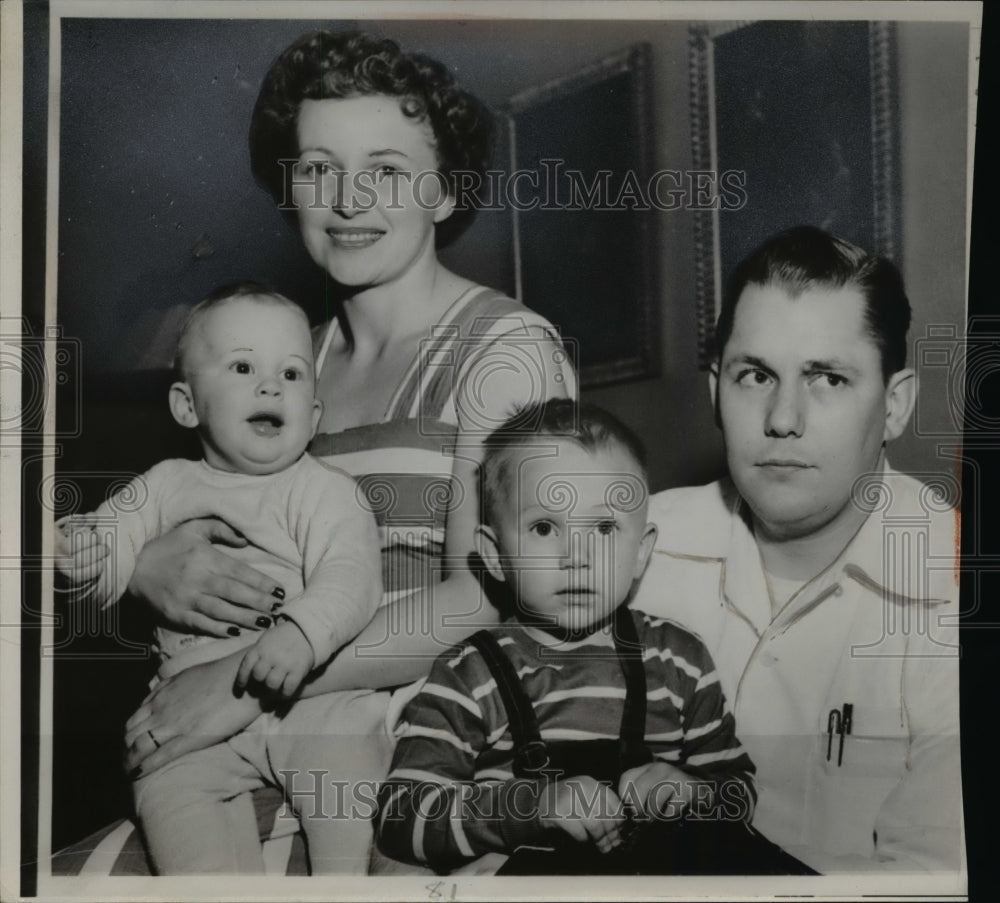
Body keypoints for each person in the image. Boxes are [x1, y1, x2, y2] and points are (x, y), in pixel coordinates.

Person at [52, 30, 574, 875]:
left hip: (422, 749)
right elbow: (210, 511)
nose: (348, 196)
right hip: (249, 752)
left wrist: (240, 685)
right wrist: (148, 565)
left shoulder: (506, 350)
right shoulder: (290, 360)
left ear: (444, 192)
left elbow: (486, 599)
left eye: (386, 168)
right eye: (319, 167)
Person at [632, 226, 964, 876]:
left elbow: (931, 881)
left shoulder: (958, 590)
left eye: (828, 378)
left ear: (895, 407)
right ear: (714, 394)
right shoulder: (633, 552)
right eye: (755, 374)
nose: (784, 417)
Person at [55, 284, 384, 873]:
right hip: (188, 717)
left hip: (304, 698)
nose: (269, 386)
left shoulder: (323, 489)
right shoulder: (164, 484)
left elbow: (352, 576)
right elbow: (112, 542)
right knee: (165, 787)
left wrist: (302, 634)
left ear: (312, 417)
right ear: (187, 406)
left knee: (348, 745)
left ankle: (347, 884)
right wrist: (83, 555)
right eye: (242, 366)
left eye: (291, 372)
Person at [374, 400, 757, 874]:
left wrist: (689, 791)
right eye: (543, 527)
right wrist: (531, 809)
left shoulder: (680, 662)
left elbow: (739, 795)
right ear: (495, 555)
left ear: (641, 552)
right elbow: (400, 817)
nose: (576, 555)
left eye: (602, 527)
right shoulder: (467, 676)